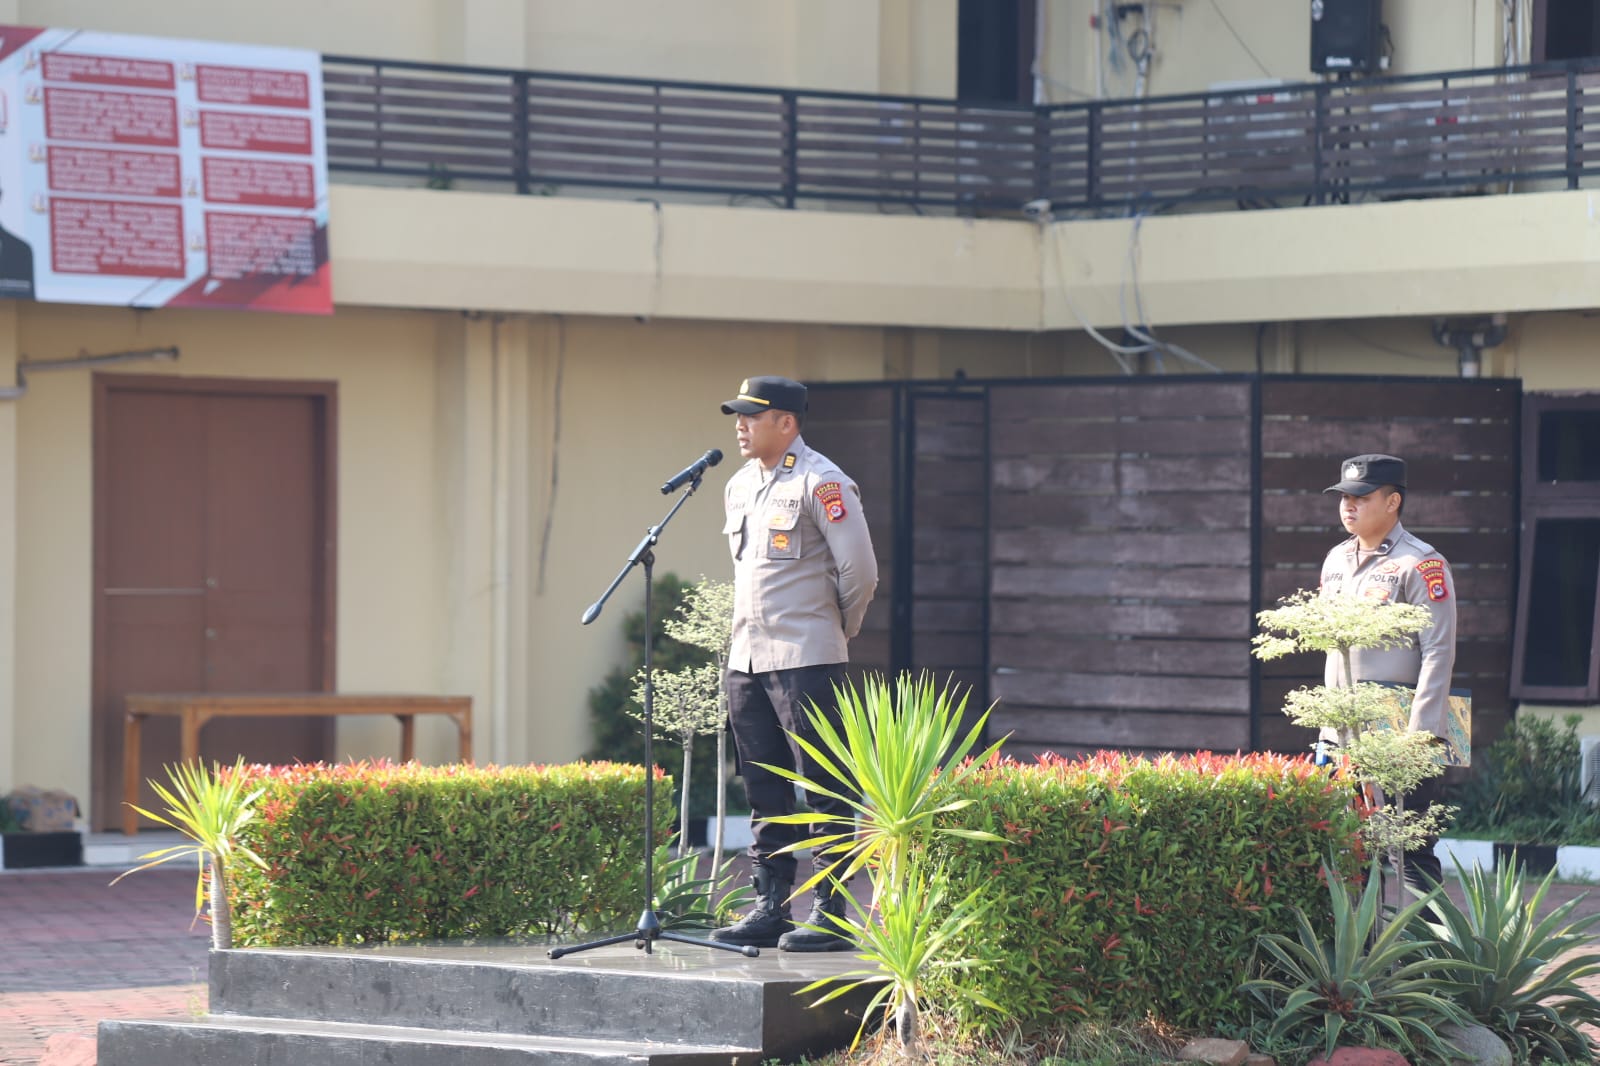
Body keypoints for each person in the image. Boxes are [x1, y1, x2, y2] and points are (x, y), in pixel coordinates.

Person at [709, 375, 878, 952]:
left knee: (825, 785)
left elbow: (860, 572)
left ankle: (830, 912)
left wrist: (835, 629)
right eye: (738, 416)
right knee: (765, 788)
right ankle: (771, 905)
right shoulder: (738, 486)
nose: (740, 426)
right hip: (746, 658)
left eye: (752, 416)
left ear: (787, 423)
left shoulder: (821, 482)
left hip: (805, 657)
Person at [1319, 453, 1457, 889]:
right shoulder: (1335, 560)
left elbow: (1439, 651)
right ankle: (1361, 938)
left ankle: (1433, 937)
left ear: (1393, 501)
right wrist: (1326, 729)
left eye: (1361, 497)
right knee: (1348, 848)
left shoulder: (1422, 563)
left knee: (1408, 849)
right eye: (1344, 496)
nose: (1348, 505)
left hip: (1401, 727)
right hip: (1343, 728)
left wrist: (1420, 737)